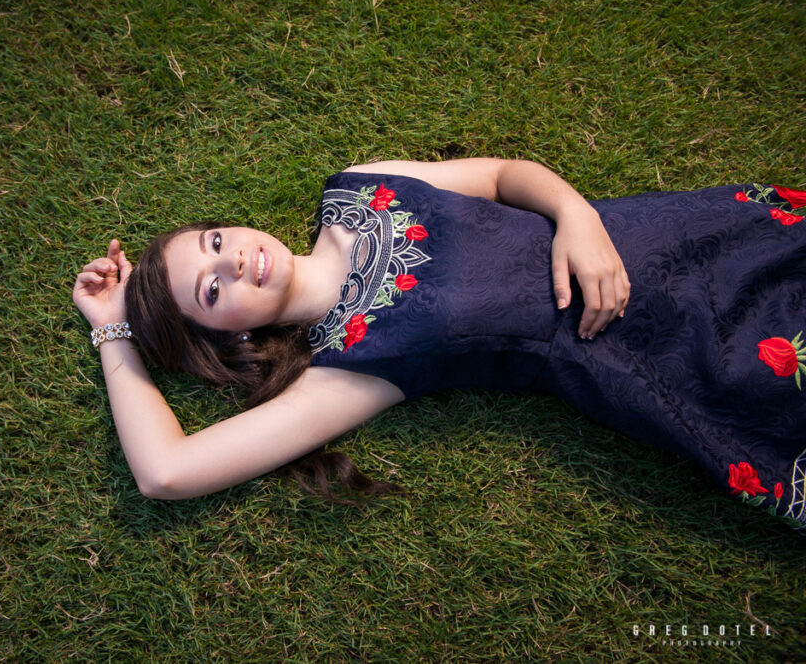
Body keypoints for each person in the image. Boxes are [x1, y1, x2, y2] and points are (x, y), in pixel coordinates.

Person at [72, 158, 806, 529]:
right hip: (646, 347)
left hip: (657, 235)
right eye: (211, 289)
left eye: (214, 241)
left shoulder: (356, 189)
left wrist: (575, 215)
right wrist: (113, 330)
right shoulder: (348, 365)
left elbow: (498, 174)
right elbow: (164, 472)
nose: (232, 259)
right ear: (228, 333)